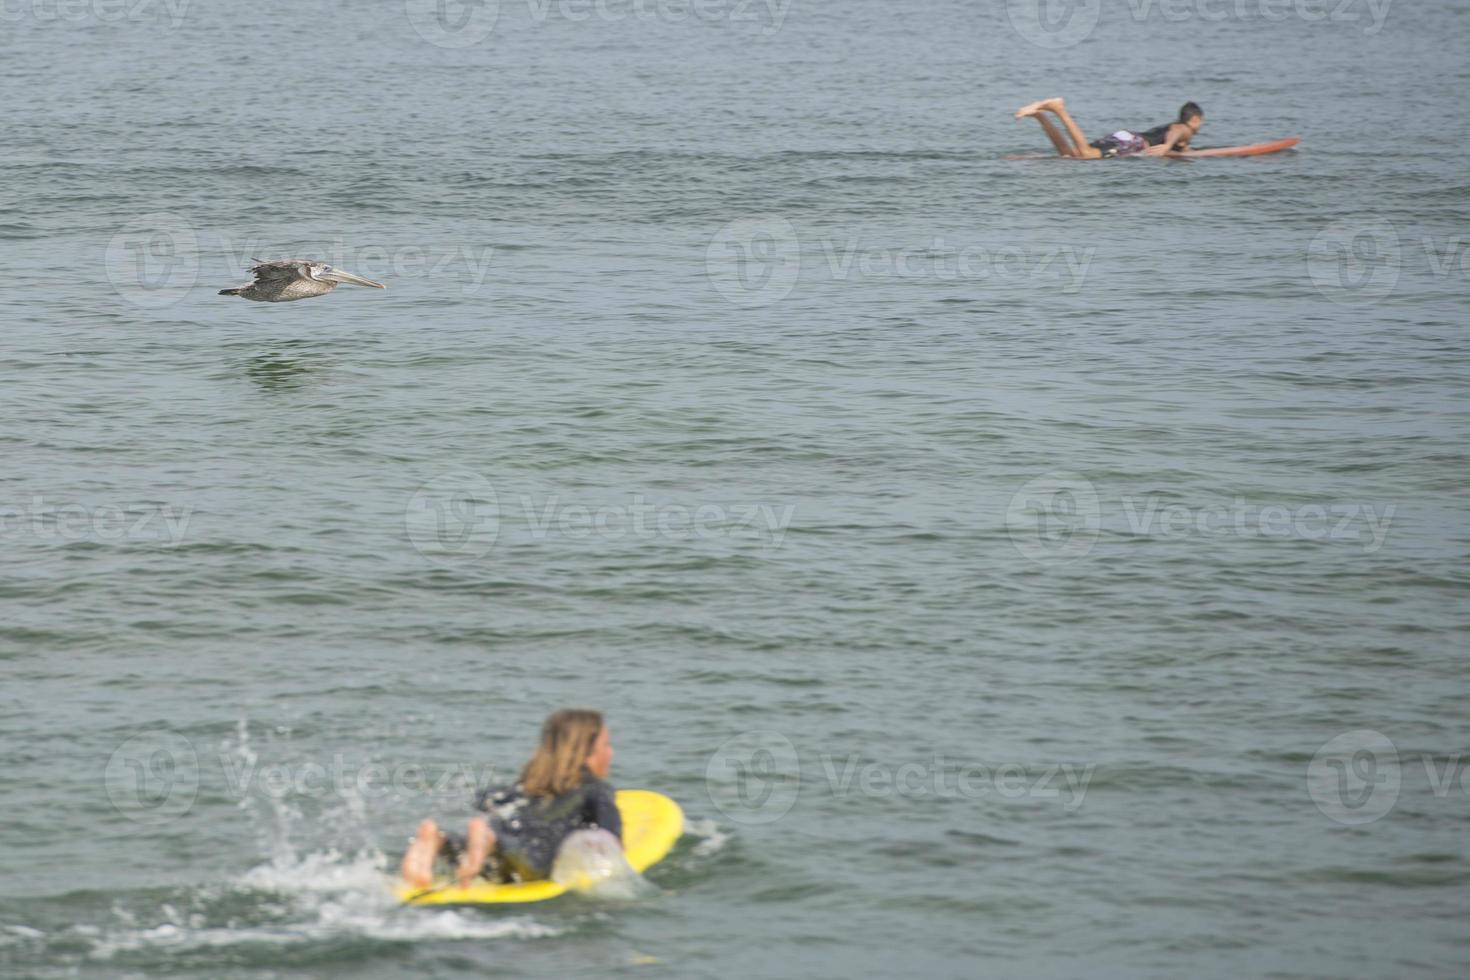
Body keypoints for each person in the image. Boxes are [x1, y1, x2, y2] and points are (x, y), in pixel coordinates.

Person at [400, 708, 622, 889]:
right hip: (527, 856)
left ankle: (438, 842)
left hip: (501, 832)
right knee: (522, 858)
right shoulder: (596, 790)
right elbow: (611, 844)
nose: (611, 753)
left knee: (487, 847)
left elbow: (485, 800)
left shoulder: (523, 787)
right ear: (587, 752)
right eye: (606, 745)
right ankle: (485, 840)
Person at [1015, 98, 1204, 159]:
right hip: (1134, 143)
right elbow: (1177, 131)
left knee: (1071, 155)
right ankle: (1059, 110)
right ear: (1194, 119)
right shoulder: (1184, 129)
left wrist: (1183, 150)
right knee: (1087, 154)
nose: (1200, 126)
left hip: (1127, 138)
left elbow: (1178, 142)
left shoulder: (1179, 138)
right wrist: (1167, 146)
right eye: (1201, 121)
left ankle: (1041, 116)